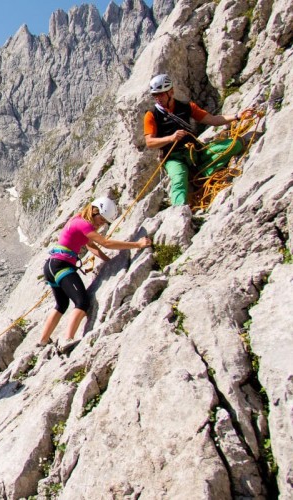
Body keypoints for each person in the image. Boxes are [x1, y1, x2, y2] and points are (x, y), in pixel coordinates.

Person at [37, 197, 152, 353]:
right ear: (95, 211)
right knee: (82, 301)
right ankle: (67, 340)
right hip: (61, 266)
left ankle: (42, 342)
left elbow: (90, 246)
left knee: (61, 304)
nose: (101, 224)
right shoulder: (83, 224)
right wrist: (137, 244)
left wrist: (107, 260)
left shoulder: (77, 220)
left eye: (104, 222)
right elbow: (106, 243)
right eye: (101, 219)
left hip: (52, 266)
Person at [143, 73, 253, 206]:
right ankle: (179, 210)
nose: (158, 98)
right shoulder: (151, 115)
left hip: (195, 152)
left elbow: (212, 120)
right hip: (174, 158)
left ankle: (201, 174)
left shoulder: (186, 107)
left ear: (170, 92)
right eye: (155, 95)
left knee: (235, 144)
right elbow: (150, 142)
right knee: (179, 178)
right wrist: (171, 138)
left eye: (160, 94)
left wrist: (237, 116)